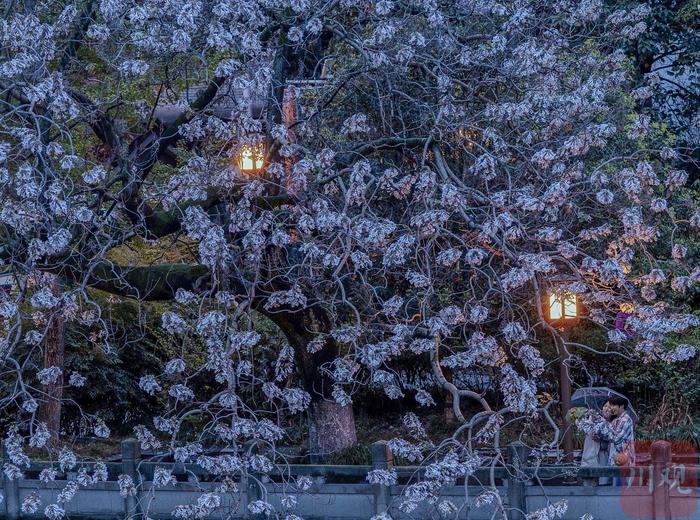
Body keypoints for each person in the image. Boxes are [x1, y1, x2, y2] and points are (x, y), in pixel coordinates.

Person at [595, 396, 635, 486]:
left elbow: (616, 439)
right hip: (615, 459)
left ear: (621, 406)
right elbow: (608, 436)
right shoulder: (616, 420)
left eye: (614, 405)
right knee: (615, 489)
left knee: (620, 489)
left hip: (623, 459)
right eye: (611, 405)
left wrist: (604, 423)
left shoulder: (626, 420)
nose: (611, 408)